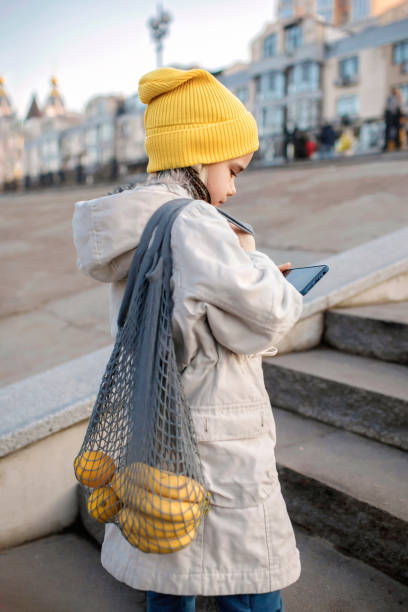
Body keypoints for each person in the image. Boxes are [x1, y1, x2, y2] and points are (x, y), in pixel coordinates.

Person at [73, 67, 303, 612]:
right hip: (217, 430)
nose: (234, 185)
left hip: (161, 426)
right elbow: (266, 318)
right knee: (249, 579)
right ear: (201, 155)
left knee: (170, 562)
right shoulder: (196, 223)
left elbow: (184, 318)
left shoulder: (139, 227)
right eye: (232, 169)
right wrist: (261, 267)